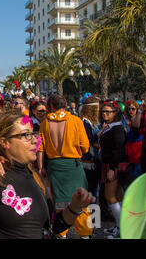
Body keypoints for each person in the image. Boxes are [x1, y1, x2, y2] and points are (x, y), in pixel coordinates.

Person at [0, 110, 95, 239]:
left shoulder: (34, 175)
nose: (35, 140)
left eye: (33, 134)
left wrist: (74, 208)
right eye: (26, 135)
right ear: (5, 142)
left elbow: (53, 227)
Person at [38, 94, 92, 238]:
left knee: (59, 201)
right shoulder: (76, 120)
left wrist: (41, 166)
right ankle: (85, 234)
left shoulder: (44, 123)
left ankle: (61, 233)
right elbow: (85, 146)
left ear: (51, 107)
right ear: (66, 104)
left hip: (54, 167)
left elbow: (40, 148)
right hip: (73, 165)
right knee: (81, 200)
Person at [98, 101, 128, 239]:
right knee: (117, 196)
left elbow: (119, 149)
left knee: (110, 196)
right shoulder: (110, 127)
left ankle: (122, 228)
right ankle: (120, 226)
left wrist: (112, 168)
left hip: (113, 166)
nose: (104, 114)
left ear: (115, 113)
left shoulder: (117, 128)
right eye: (103, 111)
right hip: (109, 165)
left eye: (108, 112)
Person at [79, 96, 102, 203]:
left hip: (94, 159)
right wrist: (100, 133)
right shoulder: (85, 123)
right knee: (91, 192)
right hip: (87, 161)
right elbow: (87, 140)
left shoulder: (91, 122)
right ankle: (92, 219)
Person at [124, 100, 143, 179]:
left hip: (138, 148)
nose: (131, 111)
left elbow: (137, 127)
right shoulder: (125, 120)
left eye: (133, 109)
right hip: (129, 148)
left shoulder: (139, 119)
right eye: (129, 109)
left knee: (137, 173)